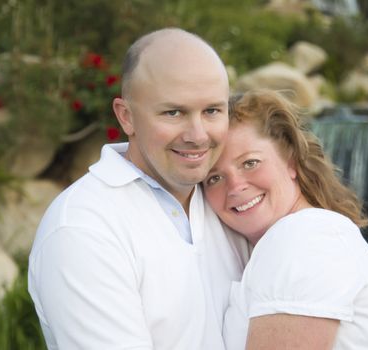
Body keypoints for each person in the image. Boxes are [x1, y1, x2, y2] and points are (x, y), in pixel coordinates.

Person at [28, 28, 249, 349]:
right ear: (126, 117)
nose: (198, 135)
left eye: (212, 111)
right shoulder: (82, 228)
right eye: (173, 112)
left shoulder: (232, 202)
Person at [203, 89, 368, 349]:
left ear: (292, 162)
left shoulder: (303, 236)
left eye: (250, 163)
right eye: (214, 178)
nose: (234, 186)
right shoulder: (305, 235)